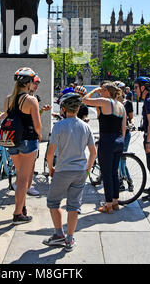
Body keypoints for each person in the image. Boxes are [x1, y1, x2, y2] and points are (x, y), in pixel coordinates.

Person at [43, 92, 96, 251]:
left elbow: (50, 152)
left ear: (63, 109)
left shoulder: (59, 126)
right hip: (80, 171)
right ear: (79, 108)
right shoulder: (86, 126)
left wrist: (51, 168)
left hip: (63, 170)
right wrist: (87, 170)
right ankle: (70, 239)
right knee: (74, 205)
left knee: (53, 202)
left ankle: (59, 234)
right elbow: (93, 152)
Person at [1, 67, 42, 225]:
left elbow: (8, 118)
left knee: (20, 175)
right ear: (29, 83)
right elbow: (37, 125)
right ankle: (18, 213)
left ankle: (22, 206)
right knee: (24, 179)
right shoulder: (31, 100)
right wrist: (39, 135)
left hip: (12, 141)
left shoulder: (8, 99)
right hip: (28, 140)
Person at [82, 83, 126, 213]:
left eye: (102, 90)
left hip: (107, 140)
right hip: (119, 140)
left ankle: (108, 205)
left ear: (107, 91)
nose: (100, 92)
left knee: (106, 173)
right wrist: (120, 141)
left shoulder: (105, 101)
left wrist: (94, 90)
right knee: (114, 172)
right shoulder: (121, 105)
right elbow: (123, 128)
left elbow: (84, 100)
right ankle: (115, 202)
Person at [115, 81, 135, 192]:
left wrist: (131, 123)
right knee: (118, 158)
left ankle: (127, 181)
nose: (119, 92)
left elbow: (131, 117)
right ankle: (123, 181)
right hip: (115, 133)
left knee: (122, 158)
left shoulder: (128, 103)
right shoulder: (111, 103)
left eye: (120, 89)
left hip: (126, 133)